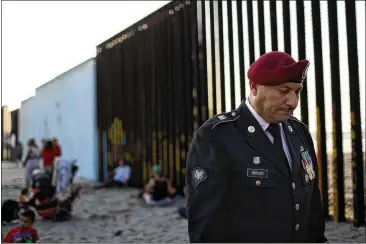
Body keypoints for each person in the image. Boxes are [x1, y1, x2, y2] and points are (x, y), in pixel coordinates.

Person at [186, 51, 327, 242]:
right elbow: (206, 221)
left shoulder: (299, 132)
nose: (293, 102)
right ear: (254, 87)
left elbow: (312, 206)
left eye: (297, 91)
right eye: (284, 91)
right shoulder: (217, 135)